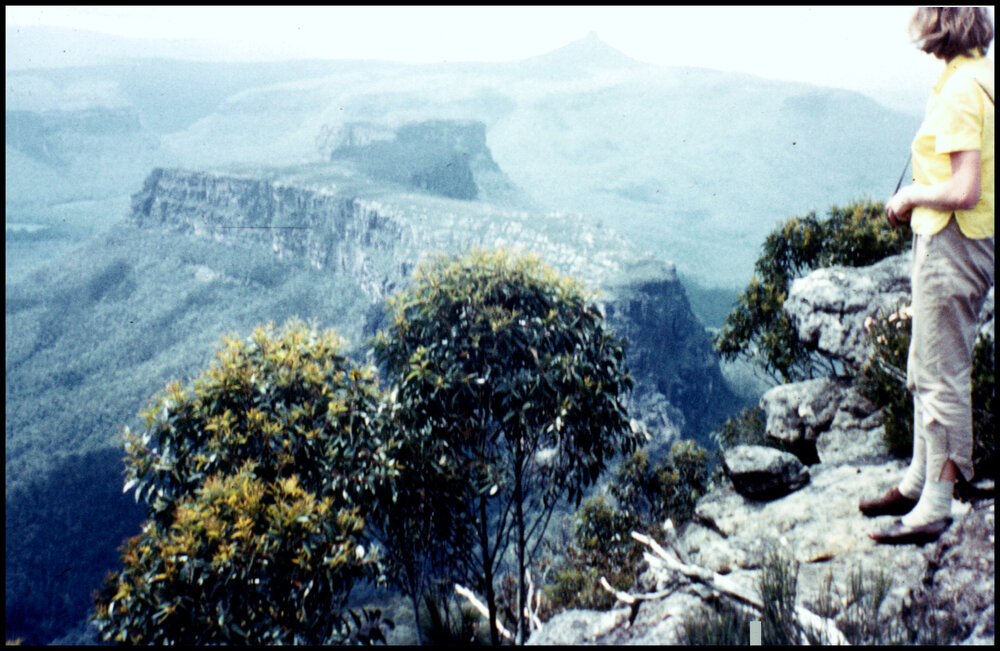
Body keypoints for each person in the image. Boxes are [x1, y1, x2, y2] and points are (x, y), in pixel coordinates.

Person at [860, 6, 994, 544]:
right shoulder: (977, 76)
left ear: (941, 25)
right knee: (926, 358)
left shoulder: (963, 90)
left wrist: (911, 196)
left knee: (941, 372)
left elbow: (964, 189)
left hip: (953, 238)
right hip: (965, 239)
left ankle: (936, 503)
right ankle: (919, 477)